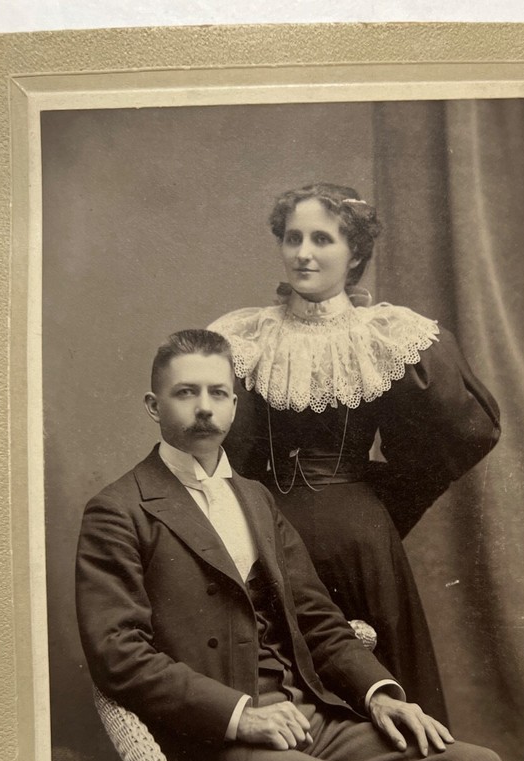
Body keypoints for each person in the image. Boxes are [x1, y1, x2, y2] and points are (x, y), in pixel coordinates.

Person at [76, 329, 509, 761]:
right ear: (154, 406)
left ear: (235, 407)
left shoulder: (256, 498)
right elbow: (118, 654)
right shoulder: (118, 509)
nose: (205, 407)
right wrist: (241, 714)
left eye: (218, 393)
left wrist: (378, 694)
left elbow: (315, 616)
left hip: (307, 717)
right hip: (215, 735)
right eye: (186, 392)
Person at [208, 182, 501, 723]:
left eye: (322, 239)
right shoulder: (243, 336)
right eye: (293, 237)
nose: (304, 252)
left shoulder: (384, 337)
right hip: (265, 531)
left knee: (381, 695)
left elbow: (468, 431)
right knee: (280, 694)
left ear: (356, 253)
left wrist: (380, 499)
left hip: (358, 538)